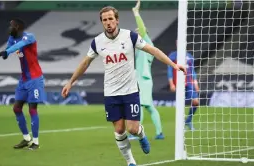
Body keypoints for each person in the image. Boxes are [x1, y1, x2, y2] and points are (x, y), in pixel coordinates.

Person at [61, 6, 186, 166]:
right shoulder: (98, 42)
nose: (108, 22)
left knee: (132, 129)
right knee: (119, 130)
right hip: (111, 93)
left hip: (130, 91)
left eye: (111, 19)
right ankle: (130, 162)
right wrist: (71, 82)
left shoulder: (130, 36)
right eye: (104, 20)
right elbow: (85, 62)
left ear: (117, 20)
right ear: (102, 23)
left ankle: (141, 134)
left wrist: (174, 65)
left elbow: (152, 50)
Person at [0, 18, 45, 150]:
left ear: (18, 27)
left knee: (32, 109)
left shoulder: (29, 37)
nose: (9, 28)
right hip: (23, 79)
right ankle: (26, 138)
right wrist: (5, 53)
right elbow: (10, 47)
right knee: (16, 108)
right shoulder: (12, 38)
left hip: (35, 79)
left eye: (11, 26)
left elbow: (17, 47)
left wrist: (7, 51)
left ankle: (35, 142)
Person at [128, 0, 164, 140]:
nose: (137, 33)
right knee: (149, 107)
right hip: (142, 79)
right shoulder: (139, 48)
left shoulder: (148, 43)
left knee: (139, 105)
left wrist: (136, 13)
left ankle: (137, 132)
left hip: (144, 79)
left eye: (139, 32)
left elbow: (142, 30)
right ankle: (159, 133)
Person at [167, 45, 200, 131]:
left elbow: (192, 70)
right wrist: (171, 83)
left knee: (196, 102)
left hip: (189, 82)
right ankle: (181, 125)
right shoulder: (173, 55)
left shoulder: (189, 56)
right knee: (181, 104)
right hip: (179, 83)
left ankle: (188, 121)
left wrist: (195, 82)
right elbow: (170, 69)